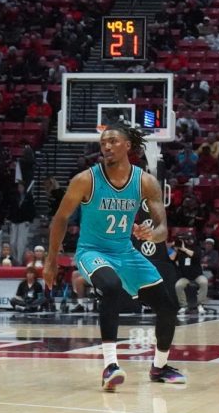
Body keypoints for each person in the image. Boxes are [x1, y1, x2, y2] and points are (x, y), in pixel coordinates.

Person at [43, 123, 186, 390]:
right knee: (110, 286)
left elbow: (163, 228)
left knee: (167, 307)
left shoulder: (145, 181)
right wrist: (51, 260)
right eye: (103, 142)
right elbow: (60, 219)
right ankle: (110, 365)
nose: (106, 146)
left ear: (127, 146)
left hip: (125, 252)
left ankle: (159, 367)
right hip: (92, 252)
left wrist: (152, 234)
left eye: (113, 141)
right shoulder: (86, 179)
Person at [172, 236, 209, 316]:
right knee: (178, 285)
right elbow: (171, 259)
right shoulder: (180, 252)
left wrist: (184, 249)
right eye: (186, 240)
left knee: (204, 282)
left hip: (197, 276)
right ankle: (183, 306)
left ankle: (200, 305)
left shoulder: (197, 248)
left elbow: (195, 255)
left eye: (190, 240)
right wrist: (175, 250)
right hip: (185, 277)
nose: (189, 241)